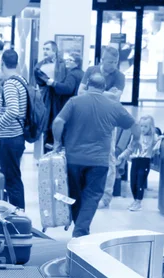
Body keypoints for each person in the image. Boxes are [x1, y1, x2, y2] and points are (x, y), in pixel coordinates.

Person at [52, 73, 138, 237]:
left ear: (87, 85)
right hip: (99, 162)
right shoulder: (113, 105)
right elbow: (135, 125)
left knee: (75, 195)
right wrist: (135, 142)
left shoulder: (74, 102)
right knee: (91, 197)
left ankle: (80, 231)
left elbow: (58, 122)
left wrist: (58, 143)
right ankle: (81, 232)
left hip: (73, 159)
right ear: (104, 88)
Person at [79, 46, 126, 209]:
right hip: (89, 119)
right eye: (111, 62)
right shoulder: (91, 70)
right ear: (102, 60)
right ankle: (87, 191)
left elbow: (116, 98)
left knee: (109, 157)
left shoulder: (120, 76)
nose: (113, 65)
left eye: (116, 62)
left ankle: (106, 196)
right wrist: (106, 93)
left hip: (108, 121)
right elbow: (79, 92)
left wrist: (92, 91)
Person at [0, 50, 28, 210]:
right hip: (17, 136)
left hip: (10, 137)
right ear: (17, 63)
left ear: (2, 63)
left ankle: (18, 216)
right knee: (14, 178)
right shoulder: (21, 80)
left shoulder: (10, 83)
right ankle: (19, 213)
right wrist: (1, 106)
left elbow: (13, 111)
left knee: (12, 180)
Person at [117, 115, 162, 212]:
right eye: (141, 126)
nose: (143, 129)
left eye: (145, 126)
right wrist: (122, 156)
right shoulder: (136, 136)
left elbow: (157, 145)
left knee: (140, 182)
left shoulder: (153, 137)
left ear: (150, 127)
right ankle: (135, 200)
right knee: (133, 182)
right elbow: (130, 148)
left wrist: (160, 139)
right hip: (135, 161)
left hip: (144, 161)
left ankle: (138, 201)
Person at [34, 41, 66, 152]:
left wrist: (56, 84)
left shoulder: (63, 64)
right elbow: (42, 80)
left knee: (60, 124)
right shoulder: (40, 66)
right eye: (44, 49)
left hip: (60, 99)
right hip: (46, 99)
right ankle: (46, 156)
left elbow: (64, 82)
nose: (45, 51)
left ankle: (59, 155)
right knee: (47, 126)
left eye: (47, 49)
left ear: (54, 50)